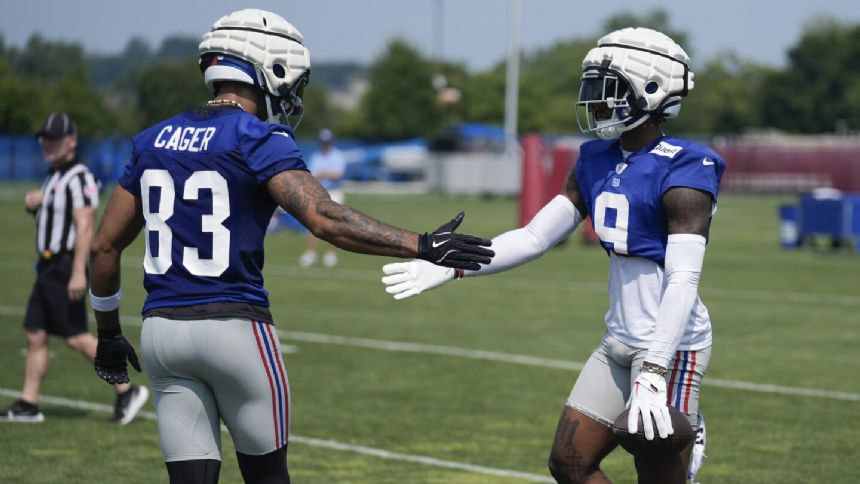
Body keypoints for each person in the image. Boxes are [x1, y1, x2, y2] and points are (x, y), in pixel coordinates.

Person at [86, 9, 492, 484]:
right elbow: (324, 217)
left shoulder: (152, 139)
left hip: (162, 333)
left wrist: (109, 333)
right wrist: (420, 243)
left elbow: (104, 248)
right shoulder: (257, 136)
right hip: (234, 329)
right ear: (268, 66)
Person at [381, 27, 724, 484]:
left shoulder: (685, 166)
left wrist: (656, 370)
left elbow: (683, 280)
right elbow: (534, 237)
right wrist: (453, 264)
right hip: (618, 338)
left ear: (652, 90)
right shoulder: (595, 159)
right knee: (569, 462)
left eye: (609, 90)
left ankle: (689, 428)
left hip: (671, 346)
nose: (596, 102)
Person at [0, 112, 149, 425]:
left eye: (55, 138)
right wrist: (37, 201)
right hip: (48, 266)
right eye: (45, 138)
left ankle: (126, 390)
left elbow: (85, 227)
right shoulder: (55, 176)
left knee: (76, 336)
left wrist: (79, 271)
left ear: (71, 140)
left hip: (65, 265)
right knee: (36, 333)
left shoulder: (78, 176)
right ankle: (28, 403)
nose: (48, 144)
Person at [299, 128, 347, 268]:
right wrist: (325, 174)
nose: (325, 144)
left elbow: (338, 174)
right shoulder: (316, 156)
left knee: (334, 224)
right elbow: (312, 174)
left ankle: (331, 254)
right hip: (320, 191)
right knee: (313, 222)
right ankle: (311, 253)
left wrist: (323, 174)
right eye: (323, 142)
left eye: (327, 141)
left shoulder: (337, 155)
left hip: (334, 191)